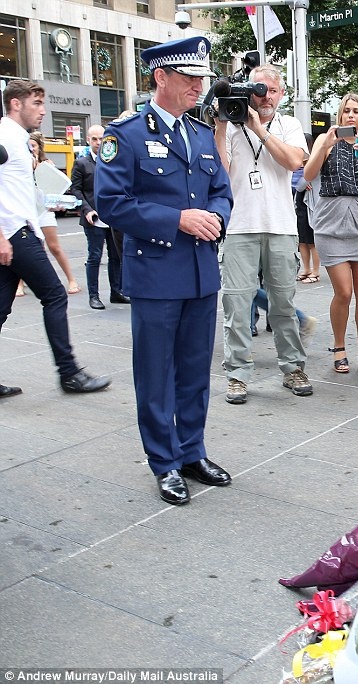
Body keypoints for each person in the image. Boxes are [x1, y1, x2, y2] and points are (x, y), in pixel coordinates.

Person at [95, 37, 233, 505]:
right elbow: (111, 203)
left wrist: (216, 217)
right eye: (190, 77)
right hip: (156, 273)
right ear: (161, 77)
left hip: (199, 272)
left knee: (195, 371)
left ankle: (192, 452)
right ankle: (164, 461)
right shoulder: (126, 134)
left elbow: (221, 192)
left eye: (201, 78)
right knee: (156, 374)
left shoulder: (200, 134)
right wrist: (177, 219)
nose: (199, 86)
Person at [0, 79, 111, 399]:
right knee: (55, 295)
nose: (42, 111)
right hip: (15, 233)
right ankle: (69, 373)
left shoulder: (19, 139)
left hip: (18, 230)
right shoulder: (6, 136)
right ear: (16, 104)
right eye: (36, 103)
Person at [214, 63, 312, 404]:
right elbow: (220, 171)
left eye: (271, 90)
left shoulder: (289, 125)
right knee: (236, 306)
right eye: (258, 89)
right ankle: (237, 374)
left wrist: (259, 129)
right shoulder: (230, 124)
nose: (265, 96)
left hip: (280, 226)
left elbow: (294, 162)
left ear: (281, 93)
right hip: (239, 227)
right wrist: (220, 124)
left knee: (283, 305)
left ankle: (293, 368)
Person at [303, 93, 358, 378]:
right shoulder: (325, 140)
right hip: (331, 222)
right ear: (340, 115)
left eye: (356, 111)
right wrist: (325, 145)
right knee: (344, 291)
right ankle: (339, 347)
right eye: (346, 110)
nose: (351, 115)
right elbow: (308, 175)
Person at [70, 124, 127, 310]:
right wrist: (87, 209)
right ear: (88, 140)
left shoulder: (112, 161)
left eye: (101, 138)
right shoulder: (81, 163)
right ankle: (93, 296)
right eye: (94, 139)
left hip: (112, 217)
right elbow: (75, 189)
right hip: (93, 218)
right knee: (95, 257)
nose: (98, 142)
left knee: (116, 256)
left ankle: (116, 291)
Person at [23, 133, 81, 298]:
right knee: (24, 248)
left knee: (54, 246)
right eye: (28, 146)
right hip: (26, 212)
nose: (31, 149)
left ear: (39, 147)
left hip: (44, 211)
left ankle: (71, 280)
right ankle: (20, 284)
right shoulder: (20, 166)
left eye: (34, 146)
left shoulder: (47, 165)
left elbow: (55, 188)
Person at [294, 133, 319, 284]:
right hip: (299, 202)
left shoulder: (314, 162)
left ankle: (315, 271)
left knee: (311, 240)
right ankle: (306, 269)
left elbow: (301, 184)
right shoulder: (296, 162)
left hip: (311, 203)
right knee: (302, 240)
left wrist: (303, 180)